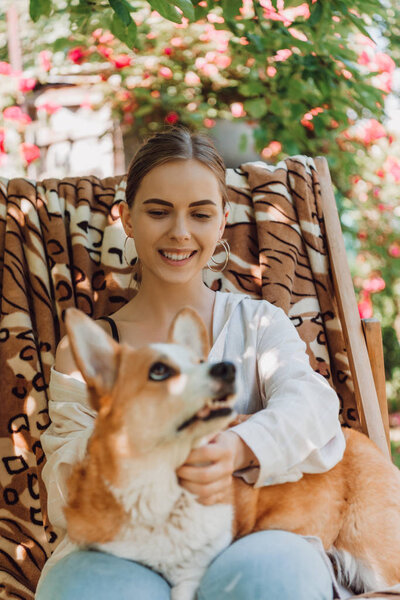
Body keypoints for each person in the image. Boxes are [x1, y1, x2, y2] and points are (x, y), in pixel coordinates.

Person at [35, 127, 346, 600]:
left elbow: (315, 410)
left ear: (222, 222)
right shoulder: (96, 347)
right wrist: (142, 436)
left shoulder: (259, 324)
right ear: (127, 219)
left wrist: (240, 447)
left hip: (244, 538)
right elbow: (61, 486)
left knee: (279, 577)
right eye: (159, 211)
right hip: (119, 552)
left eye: (199, 214)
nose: (179, 231)